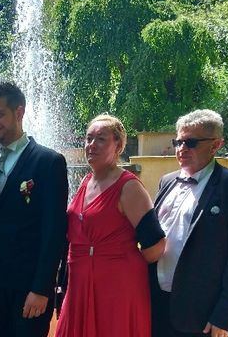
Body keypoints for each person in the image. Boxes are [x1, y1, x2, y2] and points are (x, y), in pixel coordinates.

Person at [150, 109, 228, 337]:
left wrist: (226, 317)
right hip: (154, 303)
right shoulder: (167, 181)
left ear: (215, 145)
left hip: (199, 316)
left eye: (191, 142)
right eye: (178, 141)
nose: (182, 149)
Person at [0, 82, 69, 337]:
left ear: (19, 112)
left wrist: (41, 288)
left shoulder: (49, 162)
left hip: (27, 288)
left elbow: (54, 231)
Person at [55, 114, 166, 337]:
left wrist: (114, 257)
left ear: (119, 145)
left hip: (116, 287)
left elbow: (155, 246)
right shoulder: (88, 181)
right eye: (89, 139)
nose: (91, 145)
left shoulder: (129, 187)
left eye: (101, 139)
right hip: (80, 284)